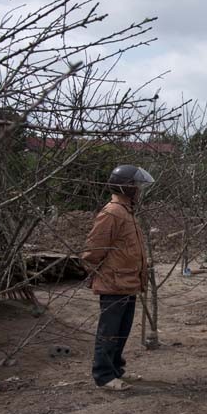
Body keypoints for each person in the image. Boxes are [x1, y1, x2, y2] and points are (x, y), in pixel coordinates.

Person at [81, 165, 154, 391]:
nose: (139, 190)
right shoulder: (112, 212)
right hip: (113, 284)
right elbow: (93, 250)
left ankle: (115, 369)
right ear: (126, 187)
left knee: (121, 331)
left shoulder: (127, 211)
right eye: (136, 186)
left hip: (127, 283)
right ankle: (103, 375)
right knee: (109, 332)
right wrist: (100, 274)